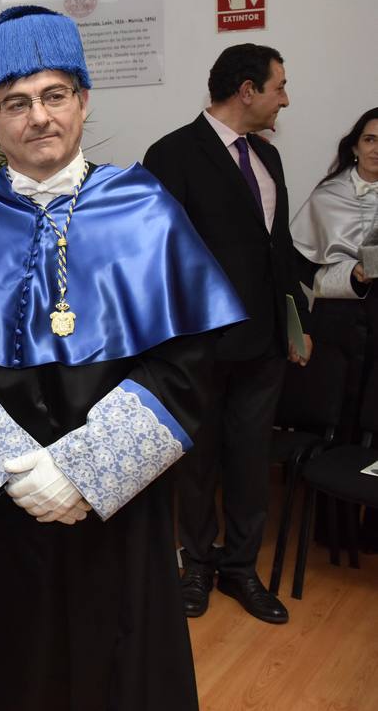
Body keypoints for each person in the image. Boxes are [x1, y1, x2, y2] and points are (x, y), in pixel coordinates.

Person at [0, 6, 244, 711]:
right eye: (15, 102)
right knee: (7, 678)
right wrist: (17, 472)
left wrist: (86, 471)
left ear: (84, 100)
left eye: (55, 94)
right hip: (1, 508)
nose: (39, 117)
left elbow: (188, 366)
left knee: (120, 676)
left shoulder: (147, 213)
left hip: (117, 510)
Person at [144, 43, 312, 625]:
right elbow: (157, 255)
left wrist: (297, 322)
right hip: (200, 344)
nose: (284, 99)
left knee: (248, 459)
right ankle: (198, 566)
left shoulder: (269, 159)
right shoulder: (171, 154)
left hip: (263, 343)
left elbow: (278, 251)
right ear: (247, 90)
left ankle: (242, 568)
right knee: (197, 462)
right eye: (279, 86)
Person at [292, 107, 378, 551]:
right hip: (341, 320)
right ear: (355, 145)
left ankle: (373, 532)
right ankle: (334, 529)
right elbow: (304, 270)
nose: (377, 149)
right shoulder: (328, 195)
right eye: (370, 139)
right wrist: (354, 277)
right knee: (340, 417)